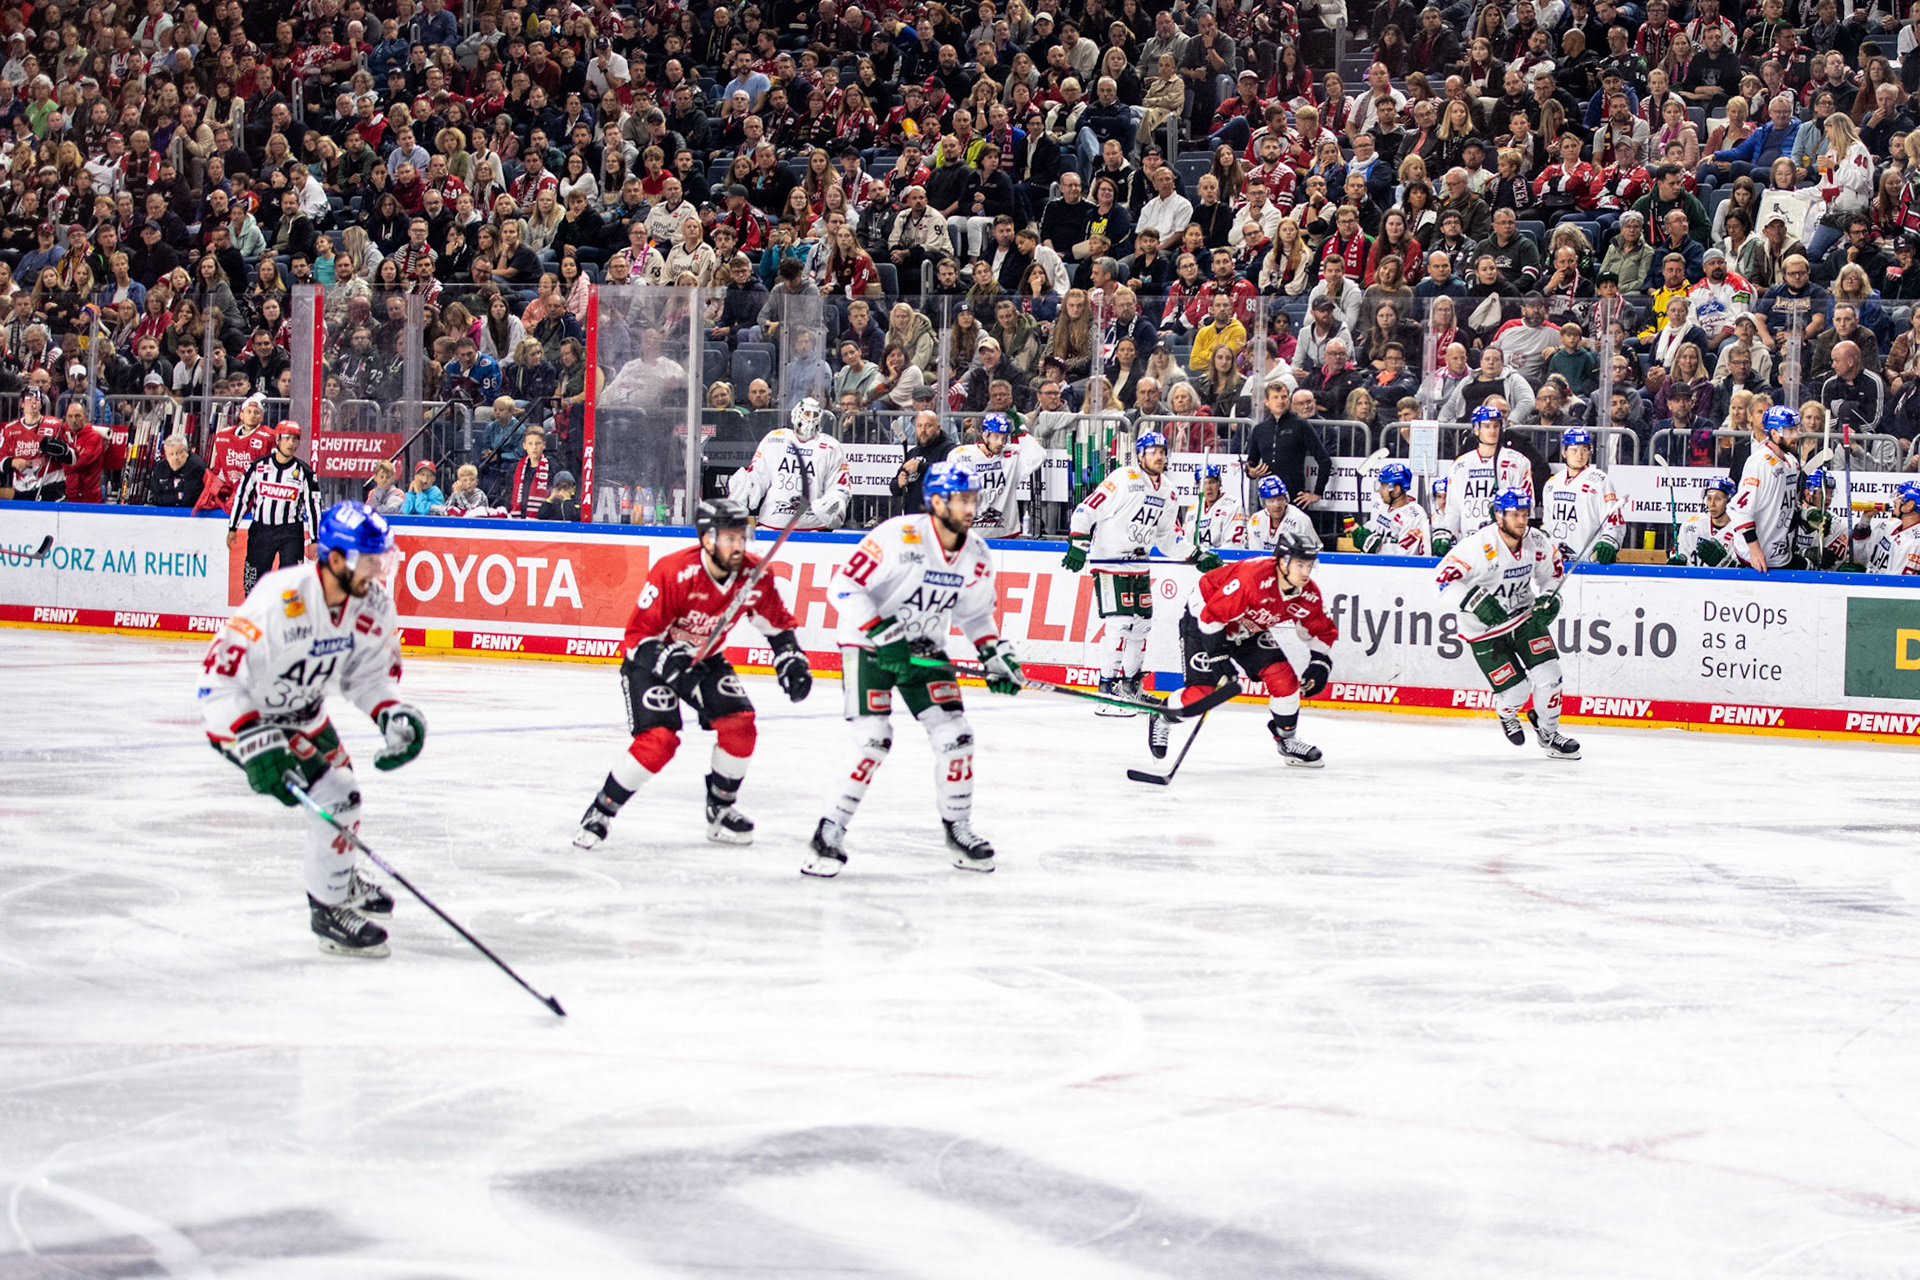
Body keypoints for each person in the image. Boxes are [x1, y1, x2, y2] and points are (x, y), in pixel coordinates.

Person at [197, 502, 426, 956]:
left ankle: (336, 872)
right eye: (369, 560)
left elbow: (368, 676)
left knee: (344, 797)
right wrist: (252, 740)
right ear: (335, 559)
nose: (378, 571)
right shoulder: (280, 599)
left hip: (306, 711)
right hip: (248, 717)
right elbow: (218, 679)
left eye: (382, 559)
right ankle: (327, 911)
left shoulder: (373, 603)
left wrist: (391, 713)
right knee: (338, 793)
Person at [803, 460, 1022, 878]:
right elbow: (844, 587)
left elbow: (976, 615)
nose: (971, 508)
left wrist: (996, 655)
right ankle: (828, 832)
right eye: (961, 500)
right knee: (873, 738)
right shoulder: (897, 535)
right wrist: (885, 635)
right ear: (936, 502)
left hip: (923, 648)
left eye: (973, 499)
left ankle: (958, 829)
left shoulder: (977, 552)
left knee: (956, 736)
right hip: (869, 645)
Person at [573, 498, 812, 850]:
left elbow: (776, 625)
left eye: (741, 537)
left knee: (740, 724)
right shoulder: (674, 572)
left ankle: (720, 809)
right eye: (729, 538)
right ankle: (601, 809)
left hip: (705, 659)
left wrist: (791, 658)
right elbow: (639, 637)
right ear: (707, 540)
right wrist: (669, 664)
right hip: (651, 661)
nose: (738, 546)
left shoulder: (754, 574)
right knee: (660, 740)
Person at [1152, 531, 1336, 767]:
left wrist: (1320, 662)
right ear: (1283, 562)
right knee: (1203, 693)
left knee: (1283, 678)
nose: (1306, 572)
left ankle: (1287, 740)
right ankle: (1162, 716)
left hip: (1247, 627)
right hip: (1205, 619)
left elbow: (1320, 631)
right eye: (1300, 565)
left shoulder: (1307, 593)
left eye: (1309, 565)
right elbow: (1211, 617)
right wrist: (1219, 657)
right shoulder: (1253, 579)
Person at [1064, 429, 1215, 714]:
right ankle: (1106, 689)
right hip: (1110, 563)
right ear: (1140, 455)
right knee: (1119, 624)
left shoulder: (1168, 491)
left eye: (1162, 452)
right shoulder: (1124, 478)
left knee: (1141, 626)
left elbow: (1168, 538)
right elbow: (1086, 510)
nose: (1159, 456)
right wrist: (1078, 544)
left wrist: (1196, 554)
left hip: (1140, 565)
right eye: (1152, 451)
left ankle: (1131, 686)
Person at [1434, 488, 1581, 759]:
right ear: (1499, 515)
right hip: (1484, 630)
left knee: (1550, 677)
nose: (1522, 521)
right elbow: (1441, 581)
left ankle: (1549, 734)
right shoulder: (1477, 546)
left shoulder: (1536, 541)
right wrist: (1473, 601)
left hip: (1524, 617)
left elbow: (1553, 575)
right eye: (1515, 515)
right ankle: (1506, 712)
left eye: (1525, 514)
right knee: (1518, 691)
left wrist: (1550, 597)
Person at [728, 396, 852, 530]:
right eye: (807, 413)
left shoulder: (831, 446)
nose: (810, 419)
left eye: (814, 415)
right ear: (796, 414)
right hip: (773, 522)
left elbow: (839, 485)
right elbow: (758, 475)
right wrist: (745, 490)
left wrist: (835, 502)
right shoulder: (774, 439)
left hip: (813, 526)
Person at [227, 421, 321, 592]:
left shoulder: (305, 472)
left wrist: (315, 539)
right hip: (261, 530)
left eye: (295, 439)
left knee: (291, 583)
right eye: (287, 438)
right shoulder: (258, 466)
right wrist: (233, 526)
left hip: (290, 532)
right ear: (277, 440)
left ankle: (286, 611)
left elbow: (313, 506)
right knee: (253, 582)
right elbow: (242, 496)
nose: (291, 443)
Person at [1727, 403, 1804, 571]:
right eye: (1790, 431)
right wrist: (1754, 549)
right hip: (1755, 558)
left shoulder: (1792, 462)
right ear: (1774, 433)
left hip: (1780, 554)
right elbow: (1739, 510)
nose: (1796, 436)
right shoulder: (1759, 463)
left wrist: (1803, 514)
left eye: (1796, 430)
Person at [948, 413, 1046, 537]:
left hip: (1005, 531)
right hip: (972, 533)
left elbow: (1038, 455)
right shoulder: (962, 455)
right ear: (984, 435)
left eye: (1004, 438)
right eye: (996, 437)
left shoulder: (1012, 454)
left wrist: (1021, 433)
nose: (1000, 442)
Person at [1542, 428, 1627, 562]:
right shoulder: (1552, 483)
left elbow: (1614, 521)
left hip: (1588, 561)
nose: (1579, 455)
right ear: (1564, 452)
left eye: (1584, 450)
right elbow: (1548, 523)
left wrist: (1609, 541)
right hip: (1556, 562)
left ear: (1589, 452)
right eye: (1574, 450)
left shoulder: (1600, 481)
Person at [198, 392, 277, 513]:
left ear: (262, 417)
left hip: (255, 492)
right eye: (248, 412)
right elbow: (219, 469)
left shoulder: (268, 437)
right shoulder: (223, 436)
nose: (252, 416)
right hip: (231, 491)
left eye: (256, 412)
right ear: (241, 415)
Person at [1349, 462, 1431, 554]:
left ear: (1396, 489)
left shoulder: (1414, 516)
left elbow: (1405, 556)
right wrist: (1360, 532)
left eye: (1384, 486)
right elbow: (1373, 527)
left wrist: (1375, 546)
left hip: (1391, 563)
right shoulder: (1380, 503)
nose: (1380, 490)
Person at [1669, 474, 1741, 566]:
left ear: (1730, 501)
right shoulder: (1691, 525)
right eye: (1709, 498)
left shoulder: (1740, 531)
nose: (1712, 504)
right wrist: (1679, 561)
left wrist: (1724, 562)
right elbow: (1679, 554)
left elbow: (1742, 569)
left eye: (1718, 499)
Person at [1854, 481, 1920, 574]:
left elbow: (1896, 581)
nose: (1894, 501)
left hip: (1878, 583)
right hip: (1871, 582)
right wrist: (1865, 520)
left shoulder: (1914, 544)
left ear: (1910, 506)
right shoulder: (1888, 525)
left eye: (1899, 497)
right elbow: (1862, 557)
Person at [1245, 474, 1317, 551]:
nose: (1277, 505)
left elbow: (1313, 552)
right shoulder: (1256, 520)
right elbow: (1255, 553)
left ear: (1286, 499)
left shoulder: (1300, 520)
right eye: (1271, 501)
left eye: (1280, 499)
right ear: (1264, 503)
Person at [1193, 464, 1246, 549]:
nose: (1208, 487)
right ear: (1198, 486)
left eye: (1212, 482)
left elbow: (1233, 546)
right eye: (1203, 483)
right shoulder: (1193, 510)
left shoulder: (1234, 506)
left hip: (1222, 556)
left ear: (1219, 483)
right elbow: (1187, 543)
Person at [148, 433, 206, 507]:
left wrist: (167, 498)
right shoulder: (160, 467)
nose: (175, 458)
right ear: (166, 455)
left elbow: (189, 499)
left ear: (186, 452)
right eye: (171, 454)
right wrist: (177, 496)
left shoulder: (196, 467)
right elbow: (154, 498)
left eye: (179, 453)